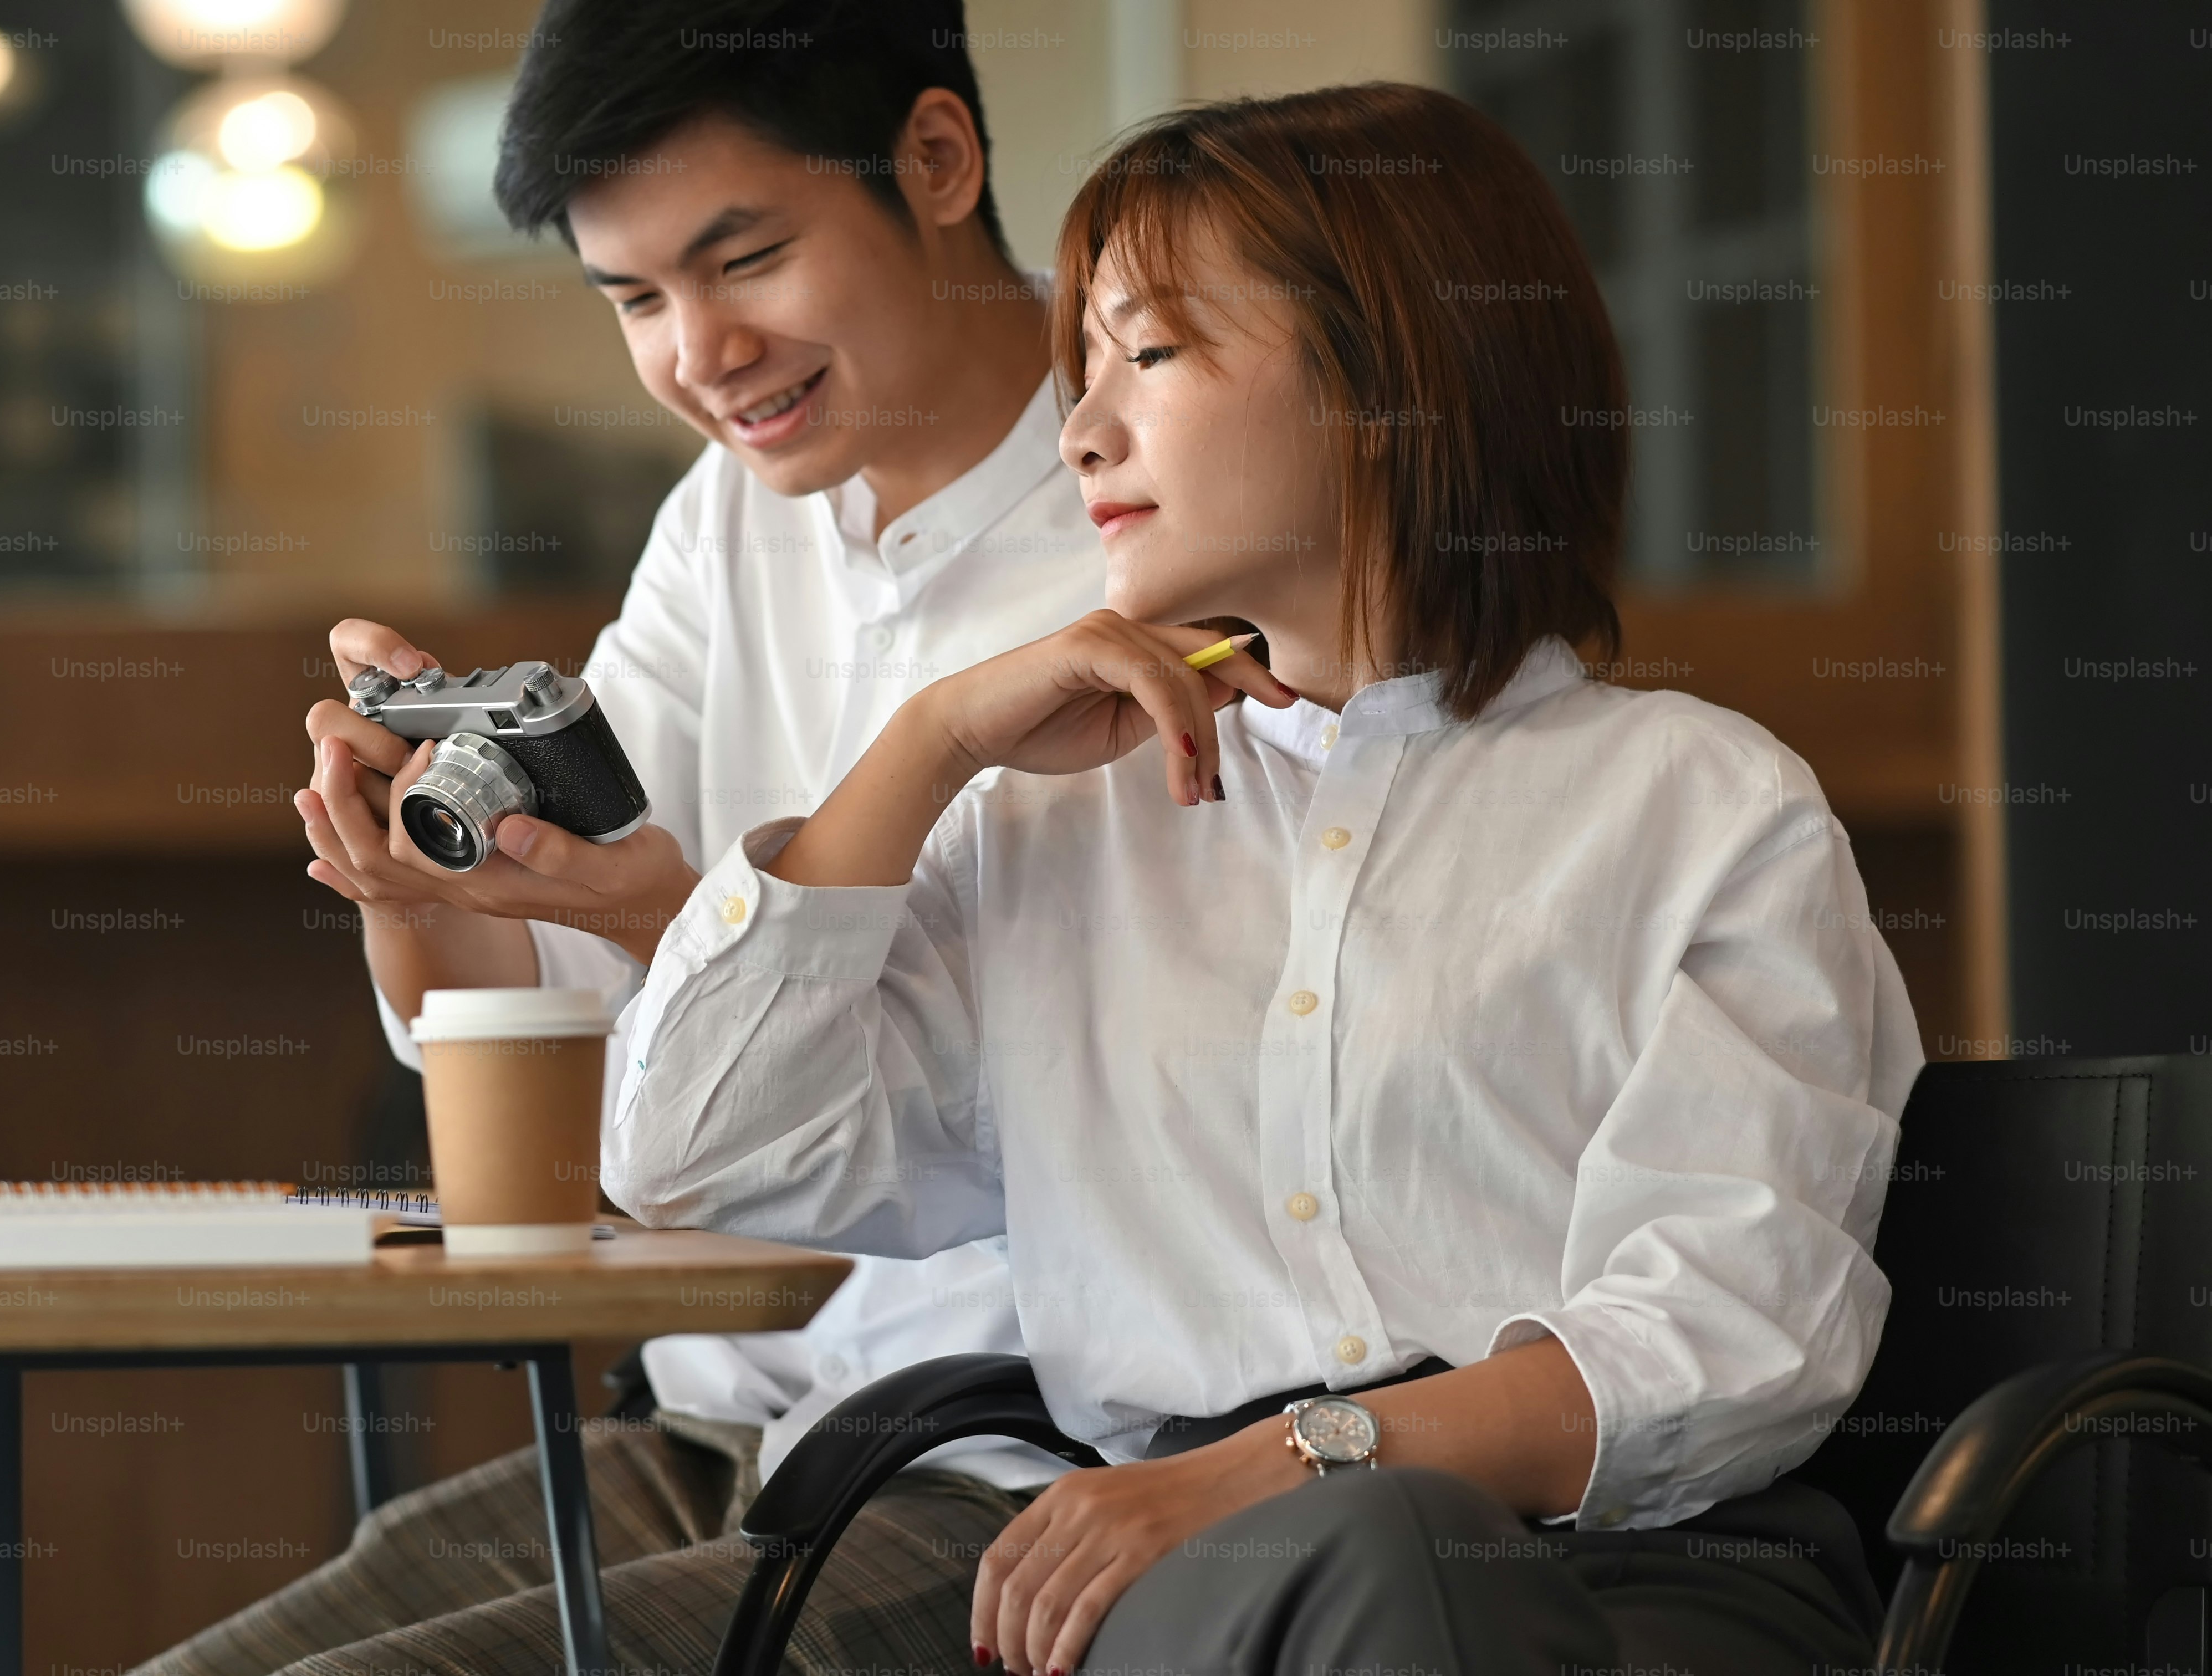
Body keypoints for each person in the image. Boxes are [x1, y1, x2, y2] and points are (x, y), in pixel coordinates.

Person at [608, 81, 1925, 1675]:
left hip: (1650, 1582)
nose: (1084, 430)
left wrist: (1304, 1460)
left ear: (1394, 373)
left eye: (1149, 355)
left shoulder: (1705, 808)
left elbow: (1736, 1323)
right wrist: (930, 744)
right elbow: (699, 1161)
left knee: (1398, 1550)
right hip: (1211, 1600)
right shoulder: (1054, 828)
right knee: (1379, 1561)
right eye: (1080, 370)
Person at [130, 3, 1105, 1674]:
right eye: (637, 300)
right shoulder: (733, 517)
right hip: (725, 1434)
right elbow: (559, 1014)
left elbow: (1034, 1105)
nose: (699, 354)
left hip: (998, 1478)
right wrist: (417, 884)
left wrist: (681, 937)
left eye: (747, 260)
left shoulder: (1146, 519)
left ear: (938, 159)